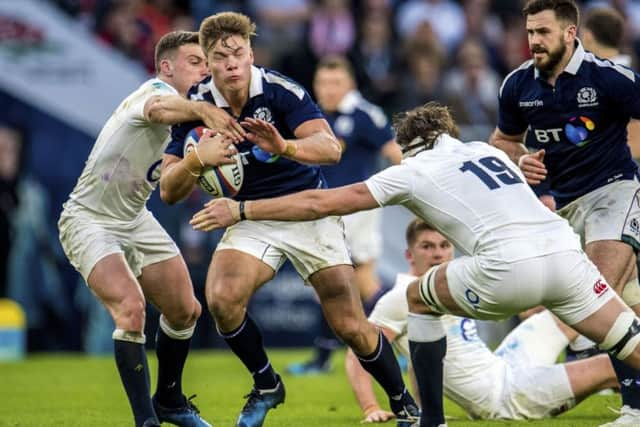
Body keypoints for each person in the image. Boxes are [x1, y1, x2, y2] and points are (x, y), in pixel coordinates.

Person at [191, 101, 640, 427]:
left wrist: (245, 210)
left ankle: (431, 422)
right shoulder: (486, 152)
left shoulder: (413, 168)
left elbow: (320, 202)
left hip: (508, 269)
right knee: (627, 342)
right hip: (565, 256)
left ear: (410, 146)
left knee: (414, 299)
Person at [159, 12, 419, 427]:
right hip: (249, 217)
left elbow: (330, 148)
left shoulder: (280, 91)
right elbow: (168, 191)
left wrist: (284, 145)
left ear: (251, 54)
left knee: (349, 324)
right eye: (220, 56)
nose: (231, 63)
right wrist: (194, 161)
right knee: (222, 299)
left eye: (238, 53)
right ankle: (266, 383)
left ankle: (404, 401)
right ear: (207, 62)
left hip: (305, 209)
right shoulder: (198, 105)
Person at [58, 31, 240, 427]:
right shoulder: (152, 93)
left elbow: (173, 191)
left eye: (206, 64)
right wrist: (204, 113)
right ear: (166, 67)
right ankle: (146, 421)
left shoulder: (187, 127)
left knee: (186, 310)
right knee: (131, 308)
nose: (204, 70)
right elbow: (158, 109)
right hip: (89, 217)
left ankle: (170, 400)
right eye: (195, 61)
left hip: (135, 217)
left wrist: (199, 162)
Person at [489, 1, 640, 425]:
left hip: (615, 191)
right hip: (563, 207)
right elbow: (501, 140)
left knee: (599, 292)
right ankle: (632, 403)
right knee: (626, 304)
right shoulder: (518, 85)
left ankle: (627, 405)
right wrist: (518, 159)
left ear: (571, 33)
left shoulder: (608, 78)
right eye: (530, 32)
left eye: (543, 32)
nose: (534, 41)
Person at [346, 218, 618, 423]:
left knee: (568, 314)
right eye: (427, 247)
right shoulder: (401, 297)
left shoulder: (448, 286)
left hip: (504, 365)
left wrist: (425, 409)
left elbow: (422, 358)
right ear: (409, 255)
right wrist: (371, 408)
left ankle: (590, 346)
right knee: (610, 366)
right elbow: (361, 350)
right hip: (503, 397)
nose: (438, 254)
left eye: (444, 245)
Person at [286, 55, 402, 376]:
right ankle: (392, 345)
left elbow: (394, 153)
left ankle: (392, 342)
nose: (329, 89)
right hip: (322, 209)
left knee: (348, 281)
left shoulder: (363, 114)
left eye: (336, 82)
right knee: (343, 284)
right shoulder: (314, 116)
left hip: (355, 210)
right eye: (323, 82)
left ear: (350, 84)